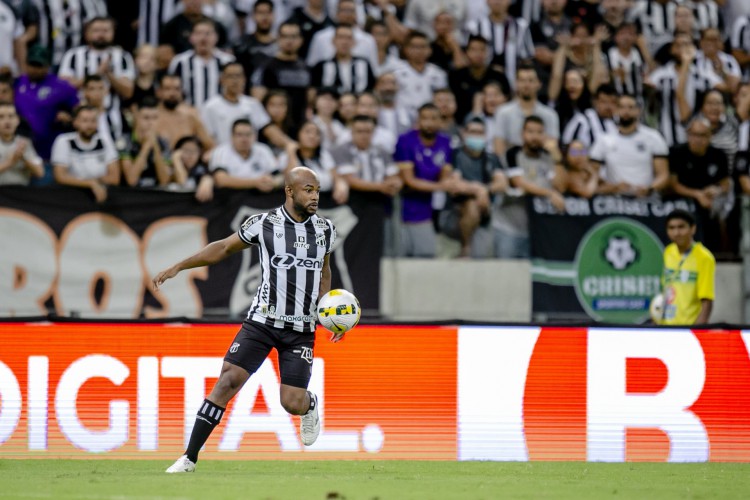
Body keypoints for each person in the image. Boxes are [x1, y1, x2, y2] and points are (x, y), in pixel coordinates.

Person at [153, 166, 338, 473]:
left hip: (300, 330)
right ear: (290, 191)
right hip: (262, 322)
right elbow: (223, 248)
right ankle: (189, 458)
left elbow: (324, 271)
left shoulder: (326, 230)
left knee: (291, 402)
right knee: (227, 381)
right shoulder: (264, 224)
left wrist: (328, 313)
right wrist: (179, 266)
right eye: (308, 189)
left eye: (317, 190)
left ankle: (310, 405)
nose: (315, 196)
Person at [668, 116, 730, 254]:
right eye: (694, 134)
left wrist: (717, 189)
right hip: (681, 202)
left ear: (710, 136)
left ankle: (718, 255)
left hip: (709, 204)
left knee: (719, 219)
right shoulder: (677, 153)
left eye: (703, 135)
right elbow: (673, 185)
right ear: (688, 135)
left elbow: (726, 184)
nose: (698, 139)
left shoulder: (719, 155)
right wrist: (697, 194)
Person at [589, 93, 669, 197]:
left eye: (631, 107)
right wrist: (612, 187)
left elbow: (663, 174)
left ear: (638, 111)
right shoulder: (604, 140)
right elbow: (592, 173)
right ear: (616, 110)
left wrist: (650, 188)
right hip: (615, 200)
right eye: (621, 107)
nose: (626, 111)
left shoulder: (654, 138)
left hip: (646, 199)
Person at [51, 104, 120, 203]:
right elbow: (60, 176)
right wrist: (90, 183)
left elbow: (114, 178)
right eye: (85, 121)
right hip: (70, 198)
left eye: (93, 121)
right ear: (75, 122)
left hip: (101, 198)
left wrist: (92, 182)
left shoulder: (105, 141)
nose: (89, 125)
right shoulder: (64, 141)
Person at [658, 209, 715, 325]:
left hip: (688, 327)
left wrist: (697, 330)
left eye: (681, 227)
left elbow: (707, 300)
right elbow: (665, 289)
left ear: (693, 229)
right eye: (671, 228)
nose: (676, 233)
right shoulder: (668, 252)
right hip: (666, 326)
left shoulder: (704, 257)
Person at [168, 19, 235, 109]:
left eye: (208, 33)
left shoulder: (228, 61)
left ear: (216, 37)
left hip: (221, 115)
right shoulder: (180, 62)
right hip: (189, 115)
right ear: (191, 38)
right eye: (198, 33)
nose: (203, 38)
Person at [210, 118, 280, 191]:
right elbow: (221, 180)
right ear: (232, 137)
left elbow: (278, 176)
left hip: (262, 193)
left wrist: (272, 182)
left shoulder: (263, 149)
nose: (244, 139)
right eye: (239, 135)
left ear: (254, 136)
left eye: (248, 134)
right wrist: (255, 183)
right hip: (232, 194)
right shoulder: (221, 151)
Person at [119, 97, 172, 188]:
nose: (150, 123)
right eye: (146, 118)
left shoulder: (163, 142)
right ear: (137, 117)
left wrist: (155, 146)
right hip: (132, 195)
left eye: (155, 118)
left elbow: (165, 180)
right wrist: (146, 147)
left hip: (156, 195)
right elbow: (131, 180)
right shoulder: (125, 141)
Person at [0, 101, 44, 185]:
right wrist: (11, 162)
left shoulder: (24, 142)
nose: (7, 121)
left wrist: (23, 158)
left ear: (17, 120)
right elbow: (12, 161)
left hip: (20, 193)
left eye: (11, 116)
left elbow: (40, 173)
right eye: (1, 117)